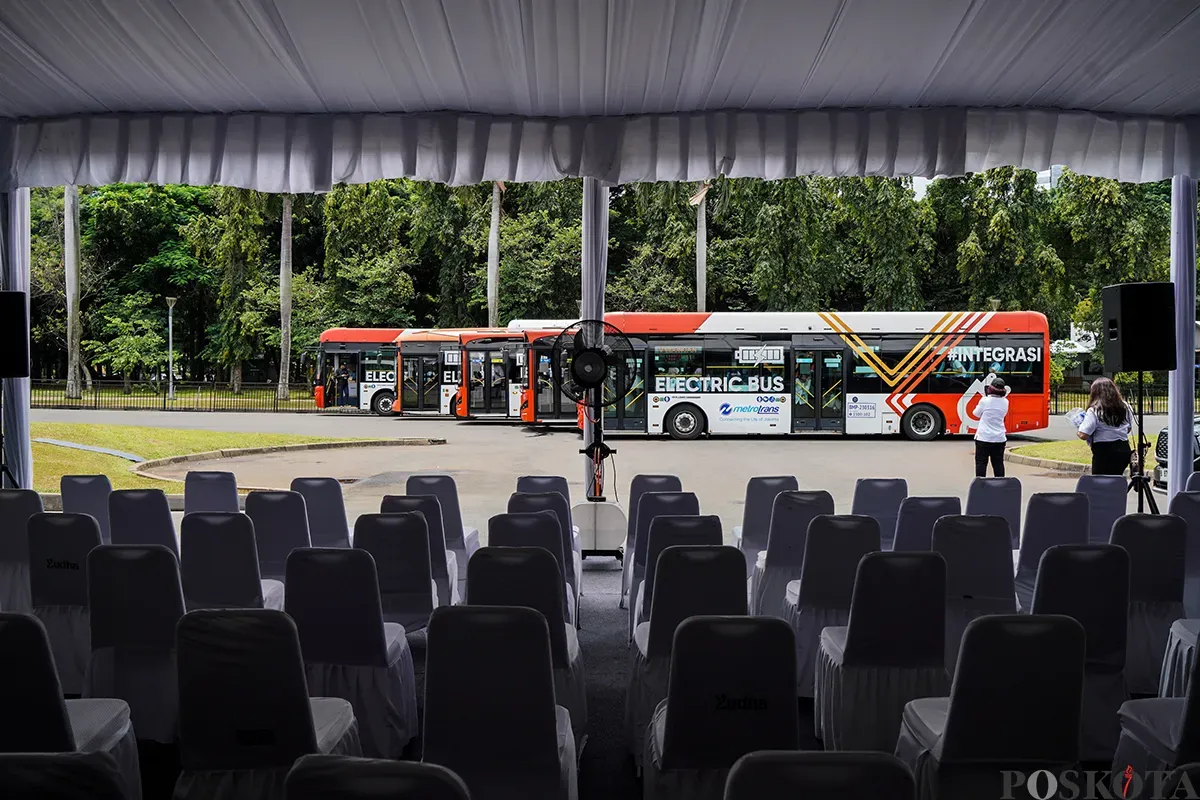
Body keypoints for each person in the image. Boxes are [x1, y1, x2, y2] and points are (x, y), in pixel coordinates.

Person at [1076, 376, 1134, 475]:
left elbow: (1083, 434)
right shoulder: (1125, 406)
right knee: (1116, 478)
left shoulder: (1095, 410)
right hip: (1123, 449)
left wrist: (1078, 426)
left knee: (1100, 483)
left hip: (1103, 451)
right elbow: (1128, 429)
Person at [973, 376, 1009, 477]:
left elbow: (975, 414)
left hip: (984, 437)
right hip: (999, 438)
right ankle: (1000, 486)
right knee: (998, 464)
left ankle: (981, 486)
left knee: (981, 463)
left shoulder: (985, 401)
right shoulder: (1006, 402)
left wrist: (984, 398)